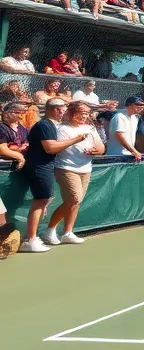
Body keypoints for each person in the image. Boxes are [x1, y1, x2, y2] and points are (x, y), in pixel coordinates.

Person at [19, 98, 87, 253]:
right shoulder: (44, 125)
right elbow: (50, 148)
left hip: (46, 167)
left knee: (44, 201)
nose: (63, 111)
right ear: (52, 109)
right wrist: (76, 139)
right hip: (39, 167)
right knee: (40, 201)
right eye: (60, 108)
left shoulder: (50, 125)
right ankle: (30, 240)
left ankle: (34, 237)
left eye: (63, 108)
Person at [44, 101, 105, 246]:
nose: (84, 116)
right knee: (74, 198)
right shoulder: (62, 129)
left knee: (75, 202)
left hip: (86, 168)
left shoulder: (90, 128)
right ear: (72, 112)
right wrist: (77, 139)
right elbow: (59, 147)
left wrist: (96, 151)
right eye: (81, 113)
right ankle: (49, 231)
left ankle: (67, 233)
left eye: (86, 113)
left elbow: (101, 147)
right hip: (66, 168)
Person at [105, 96, 144, 161]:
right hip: (116, 156)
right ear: (130, 105)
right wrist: (133, 151)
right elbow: (119, 135)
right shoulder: (119, 116)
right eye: (138, 104)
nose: (141, 107)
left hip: (128, 156)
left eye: (143, 105)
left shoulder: (135, 118)